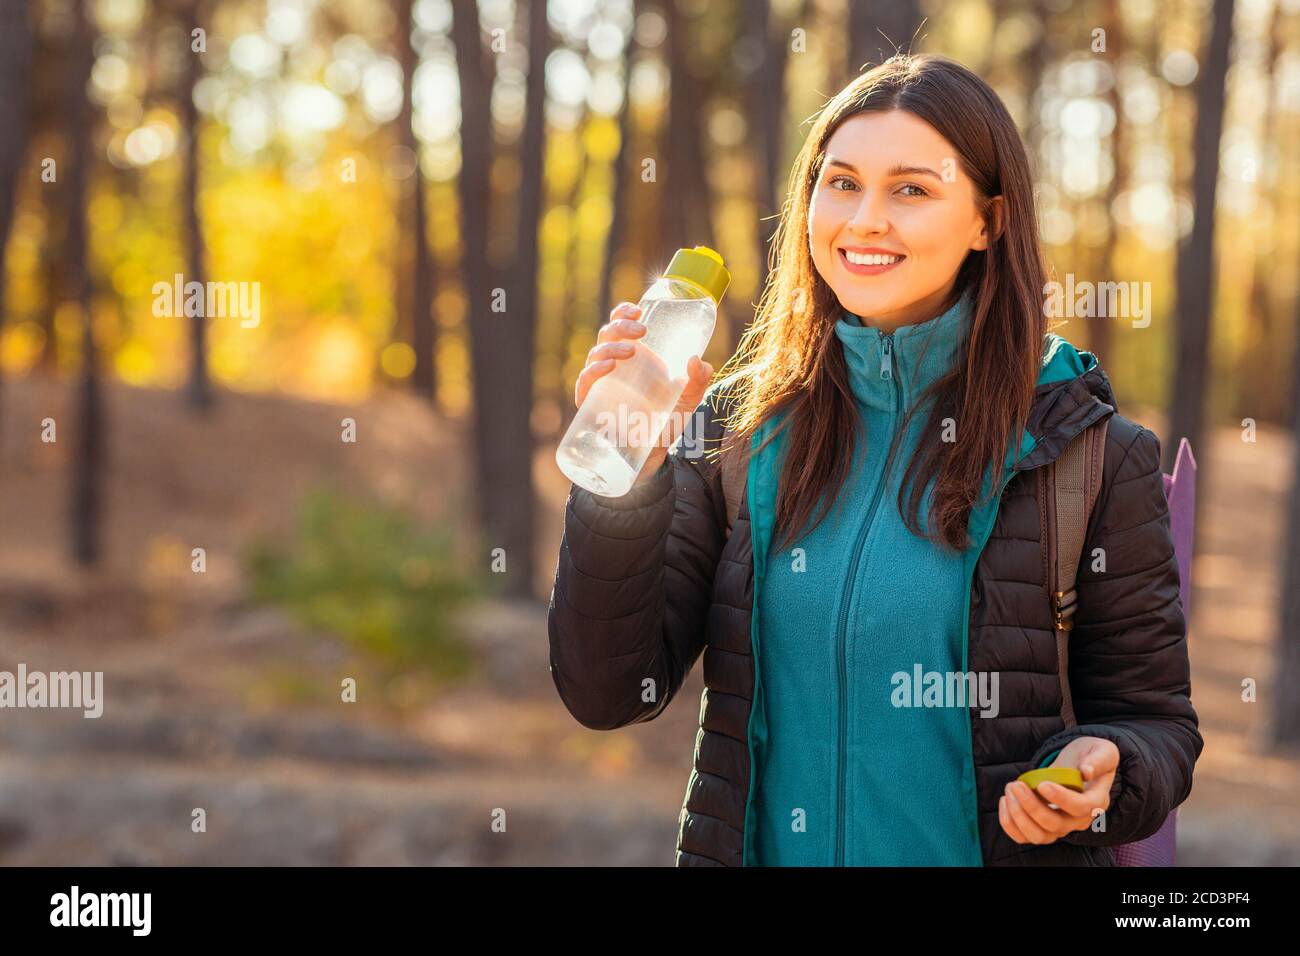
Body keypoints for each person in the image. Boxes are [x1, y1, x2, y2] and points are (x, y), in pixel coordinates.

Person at [547, 53, 1202, 866]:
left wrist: (1106, 769)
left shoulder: (1088, 452)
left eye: (912, 189)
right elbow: (607, 692)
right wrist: (626, 483)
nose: (864, 220)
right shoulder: (735, 430)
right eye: (842, 181)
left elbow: (1159, 727)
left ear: (987, 221)